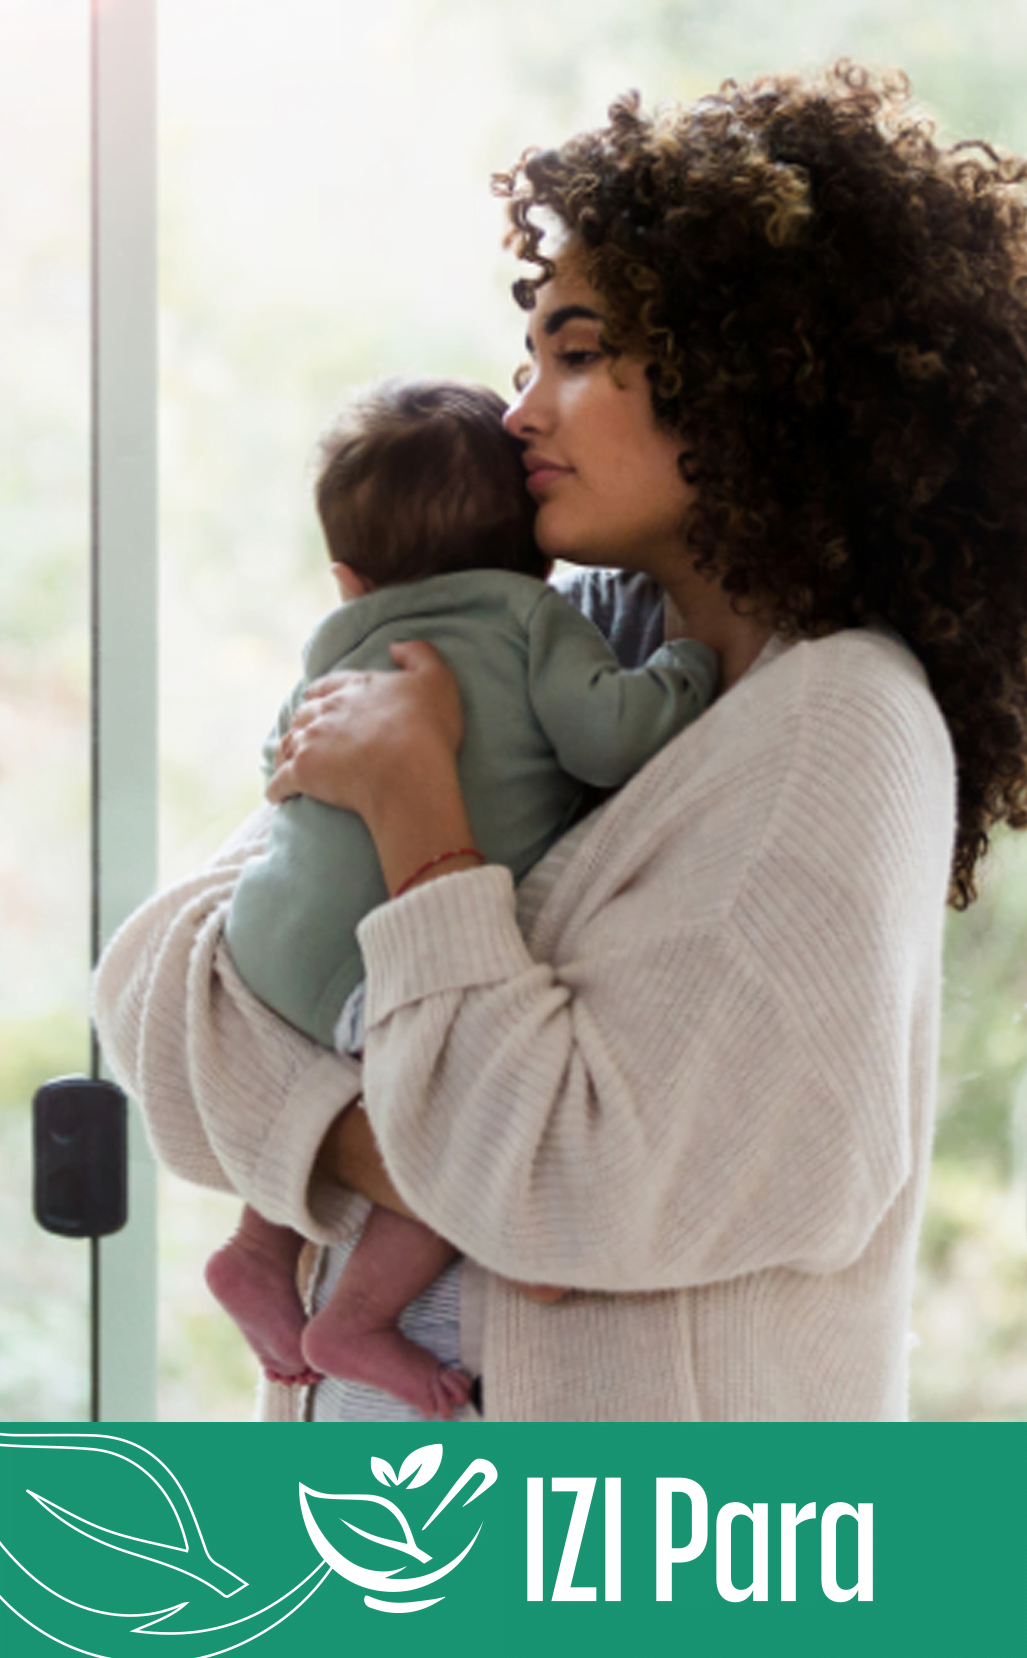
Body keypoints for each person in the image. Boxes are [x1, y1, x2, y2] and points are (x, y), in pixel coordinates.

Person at [93, 63, 1027, 1421]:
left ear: (758, 382)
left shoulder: (838, 730)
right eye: (530, 359)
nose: (519, 411)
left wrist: (421, 823)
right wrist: (406, 1157)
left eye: (577, 355)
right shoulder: (551, 630)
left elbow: (567, 1184)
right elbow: (163, 997)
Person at [199, 376, 717, 1418]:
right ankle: (358, 1318)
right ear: (537, 552)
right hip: (382, 955)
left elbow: (280, 762)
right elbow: (606, 736)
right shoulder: (532, 617)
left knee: (322, 1058)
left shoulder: (337, 638)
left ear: (348, 577)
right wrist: (685, 667)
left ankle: (259, 1242)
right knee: (441, 1119)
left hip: (263, 936)